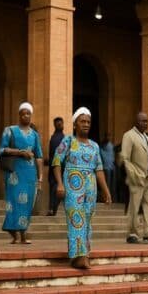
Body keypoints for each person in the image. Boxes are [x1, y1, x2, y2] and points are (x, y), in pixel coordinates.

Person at [52, 107, 112, 269]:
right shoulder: (68, 141)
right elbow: (56, 162)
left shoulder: (94, 146)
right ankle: (78, 256)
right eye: (82, 121)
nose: (86, 124)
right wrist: (59, 183)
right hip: (72, 185)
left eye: (88, 122)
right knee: (76, 219)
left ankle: (83, 254)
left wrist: (106, 190)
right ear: (75, 124)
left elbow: (99, 169)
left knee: (87, 220)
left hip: (90, 187)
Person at [0, 103, 43, 244]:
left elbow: (39, 156)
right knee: (13, 202)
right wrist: (20, 152)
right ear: (19, 115)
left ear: (31, 115)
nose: (26, 116)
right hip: (14, 173)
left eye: (28, 113)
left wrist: (40, 177)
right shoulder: (10, 130)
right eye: (23, 113)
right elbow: (2, 150)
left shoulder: (35, 135)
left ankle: (23, 235)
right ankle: (14, 233)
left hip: (30, 174)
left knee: (27, 203)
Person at [121, 112, 148, 243]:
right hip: (137, 178)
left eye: (146, 121)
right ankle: (132, 234)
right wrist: (134, 174)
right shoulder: (129, 136)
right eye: (142, 121)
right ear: (136, 122)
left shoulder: (147, 137)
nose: (145, 123)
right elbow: (125, 158)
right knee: (134, 206)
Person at [46, 117, 65, 216]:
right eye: (58, 124)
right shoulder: (59, 138)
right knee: (55, 188)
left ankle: (52, 208)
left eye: (60, 123)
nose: (60, 125)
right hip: (57, 167)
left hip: (56, 167)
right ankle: (52, 208)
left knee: (54, 188)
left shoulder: (58, 138)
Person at [100, 134, 117, 202]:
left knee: (112, 185)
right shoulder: (102, 147)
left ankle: (110, 198)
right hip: (106, 167)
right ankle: (106, 198)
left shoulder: (111, 145)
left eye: (110, 136)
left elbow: (113, 156)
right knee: (107, 184)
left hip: (112, 167)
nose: (109, 137)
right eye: (108, 136)